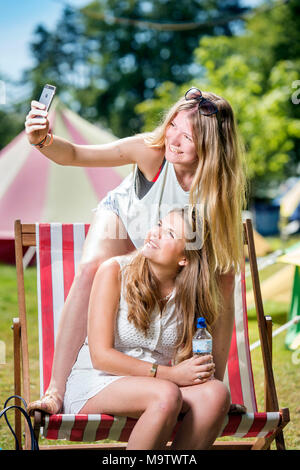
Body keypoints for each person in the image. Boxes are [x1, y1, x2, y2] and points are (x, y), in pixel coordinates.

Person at [25, 87, 246, 416]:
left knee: (224, 279)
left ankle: (210, 384)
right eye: (172, 125)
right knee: (92, 268)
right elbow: (75, 155)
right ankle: (56, 390)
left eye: (187, 136)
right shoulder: (152, 150)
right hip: (125, 218)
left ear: (211, 146)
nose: (173, 138)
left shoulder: (218, 190)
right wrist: (42, 140)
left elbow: (218, 272)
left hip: (168, 238)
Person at [63, 207, 231, 450]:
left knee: (216, 394)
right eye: (159, 224)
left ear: (184, 259)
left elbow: (191, 358)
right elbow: (101, 357)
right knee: (165, 395)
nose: (155, 233)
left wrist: (195, 373)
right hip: (98, 383)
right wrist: (172, 375)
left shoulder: (191, 295)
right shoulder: (114, 272)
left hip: (159, 389)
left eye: (169, 233)